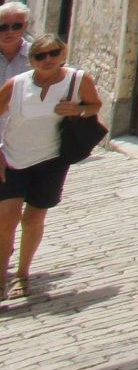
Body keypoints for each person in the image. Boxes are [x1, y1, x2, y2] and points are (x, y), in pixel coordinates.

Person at [0, 35, 99, 299]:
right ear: (31, 60)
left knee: (33, 219)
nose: (48, 59)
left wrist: (78, 110)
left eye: (53, 53)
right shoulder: (16, 86)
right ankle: (0, 278)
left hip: (51, 160)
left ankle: (22, 275)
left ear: (63, 54)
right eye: (40, 55)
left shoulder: (78, 80)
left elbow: (95, 106)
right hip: (12, 158)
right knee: (6, 220)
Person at [0, 7, 30, 78]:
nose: (10, 32)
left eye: (17, 26)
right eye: (3, 27)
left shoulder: (39, 54)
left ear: (25, 26)